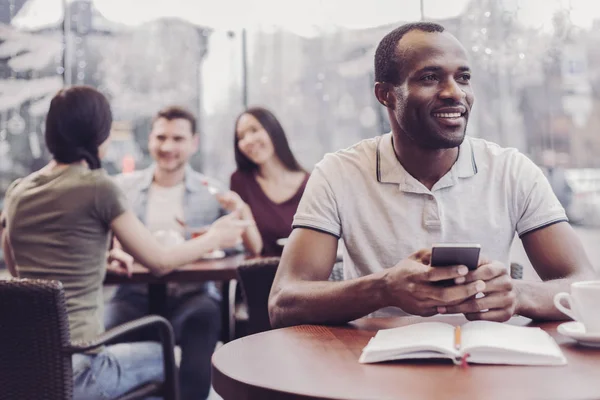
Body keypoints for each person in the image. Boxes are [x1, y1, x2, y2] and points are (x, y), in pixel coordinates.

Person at [268, 22, 597, 328]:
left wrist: (519, 294)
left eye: (463, 77)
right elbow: (283, 302)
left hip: (489, 367)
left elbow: (583, 285)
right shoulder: (337, 173)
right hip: (373, 369)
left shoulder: (512, 170)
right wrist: (384, 289)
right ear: (385, 94)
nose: (455, 92)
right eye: (429, 77)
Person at [0, 87, 248, 400]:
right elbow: (159, 262)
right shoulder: (99, 187)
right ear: (98, 135)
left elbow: (18, 270)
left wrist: (95, 258)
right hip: (82, 370)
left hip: (25, 368)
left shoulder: (18, 192)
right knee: (166, 356)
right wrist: (215, 238)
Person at [103, 105, 261, 400]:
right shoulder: (122, 189)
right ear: (150, 139)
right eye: (161, 137)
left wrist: (241, 208)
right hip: (132, 296)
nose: (167, 147)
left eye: (178, 139)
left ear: (193, 143)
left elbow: (252, 246)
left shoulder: (211, 191)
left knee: (205, 320)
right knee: (107, 338)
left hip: (192, 296)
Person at [231, 107, 309, 256]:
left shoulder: (311, 184)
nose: (248, 140)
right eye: (241, 137)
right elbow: (255, 249)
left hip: (305, 274)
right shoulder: (240, 181)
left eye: (254, 130)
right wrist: (242, 208)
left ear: (273, 130)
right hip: (261, 275)